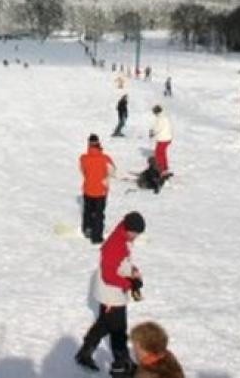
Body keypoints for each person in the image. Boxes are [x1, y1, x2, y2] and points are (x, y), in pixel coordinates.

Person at [75, 211, 146, 375]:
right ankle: (121, 365)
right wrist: (130, 283)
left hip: (113, 291)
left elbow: (121, 263)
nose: (136, 236)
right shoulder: (116, 244)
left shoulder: (123, 235)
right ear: (128, 228)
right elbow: (109, 275)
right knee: (119, 330)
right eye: (135, 233)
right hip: (111, 294)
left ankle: (85, 353)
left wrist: (133, 271)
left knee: (105, 324)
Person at [80, 134, 117, 244]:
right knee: (99, 214)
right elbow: (113, 171)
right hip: (100, 191)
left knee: (88, 211)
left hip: (88, 189)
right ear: (98, 143)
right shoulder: (105, 158)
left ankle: (87, 228)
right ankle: (96, 237)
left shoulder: (83, 158)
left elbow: (83, 171)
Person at [149, 105, 172, 178]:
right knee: (162, 153)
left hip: (163, 139)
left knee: (158, 154)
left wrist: (152, 132)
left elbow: (159, 127)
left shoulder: (161, 118)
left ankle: (161, 170)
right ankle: (165, 168)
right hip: (166, 138)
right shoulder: (164, 117)